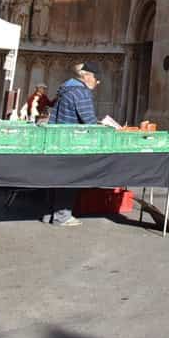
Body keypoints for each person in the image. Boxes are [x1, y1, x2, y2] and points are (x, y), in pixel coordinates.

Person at [48, 63, 100, 227]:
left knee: (57, 178)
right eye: (96, 79)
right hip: (72, 141)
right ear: (88, 76)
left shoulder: (66, 88)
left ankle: (50, 214)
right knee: (69, 179)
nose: (97, 83)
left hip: (58, 138)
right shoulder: (81, 92)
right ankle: (62, 216)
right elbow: (89, 121)